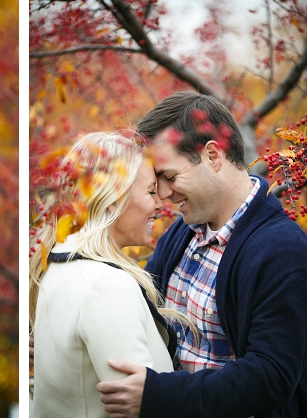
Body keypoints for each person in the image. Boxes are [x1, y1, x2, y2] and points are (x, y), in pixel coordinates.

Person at [97, 91, 307, 417]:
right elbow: (142, 312)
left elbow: (270, 377)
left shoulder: (283, 251)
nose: (163, 195)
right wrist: (71, 339)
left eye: (169, 176)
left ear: (212, 155)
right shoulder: (184, 232)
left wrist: (159, 395)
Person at [29, 132, 183, 418]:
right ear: (113, 199)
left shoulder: (58, 265)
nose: (161, 203)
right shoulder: (105, 286)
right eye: (150, 191)